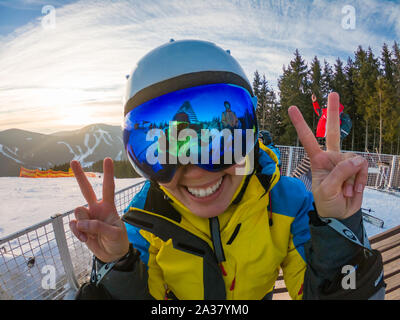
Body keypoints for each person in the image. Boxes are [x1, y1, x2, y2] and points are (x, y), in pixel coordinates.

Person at [69, 40, 384, 300]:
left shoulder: (286, 203)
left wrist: (338, 232)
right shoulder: (145, 219)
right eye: (166, 153)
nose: (195, 171)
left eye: (220, 144)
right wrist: (118, 265)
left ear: (250, 136)